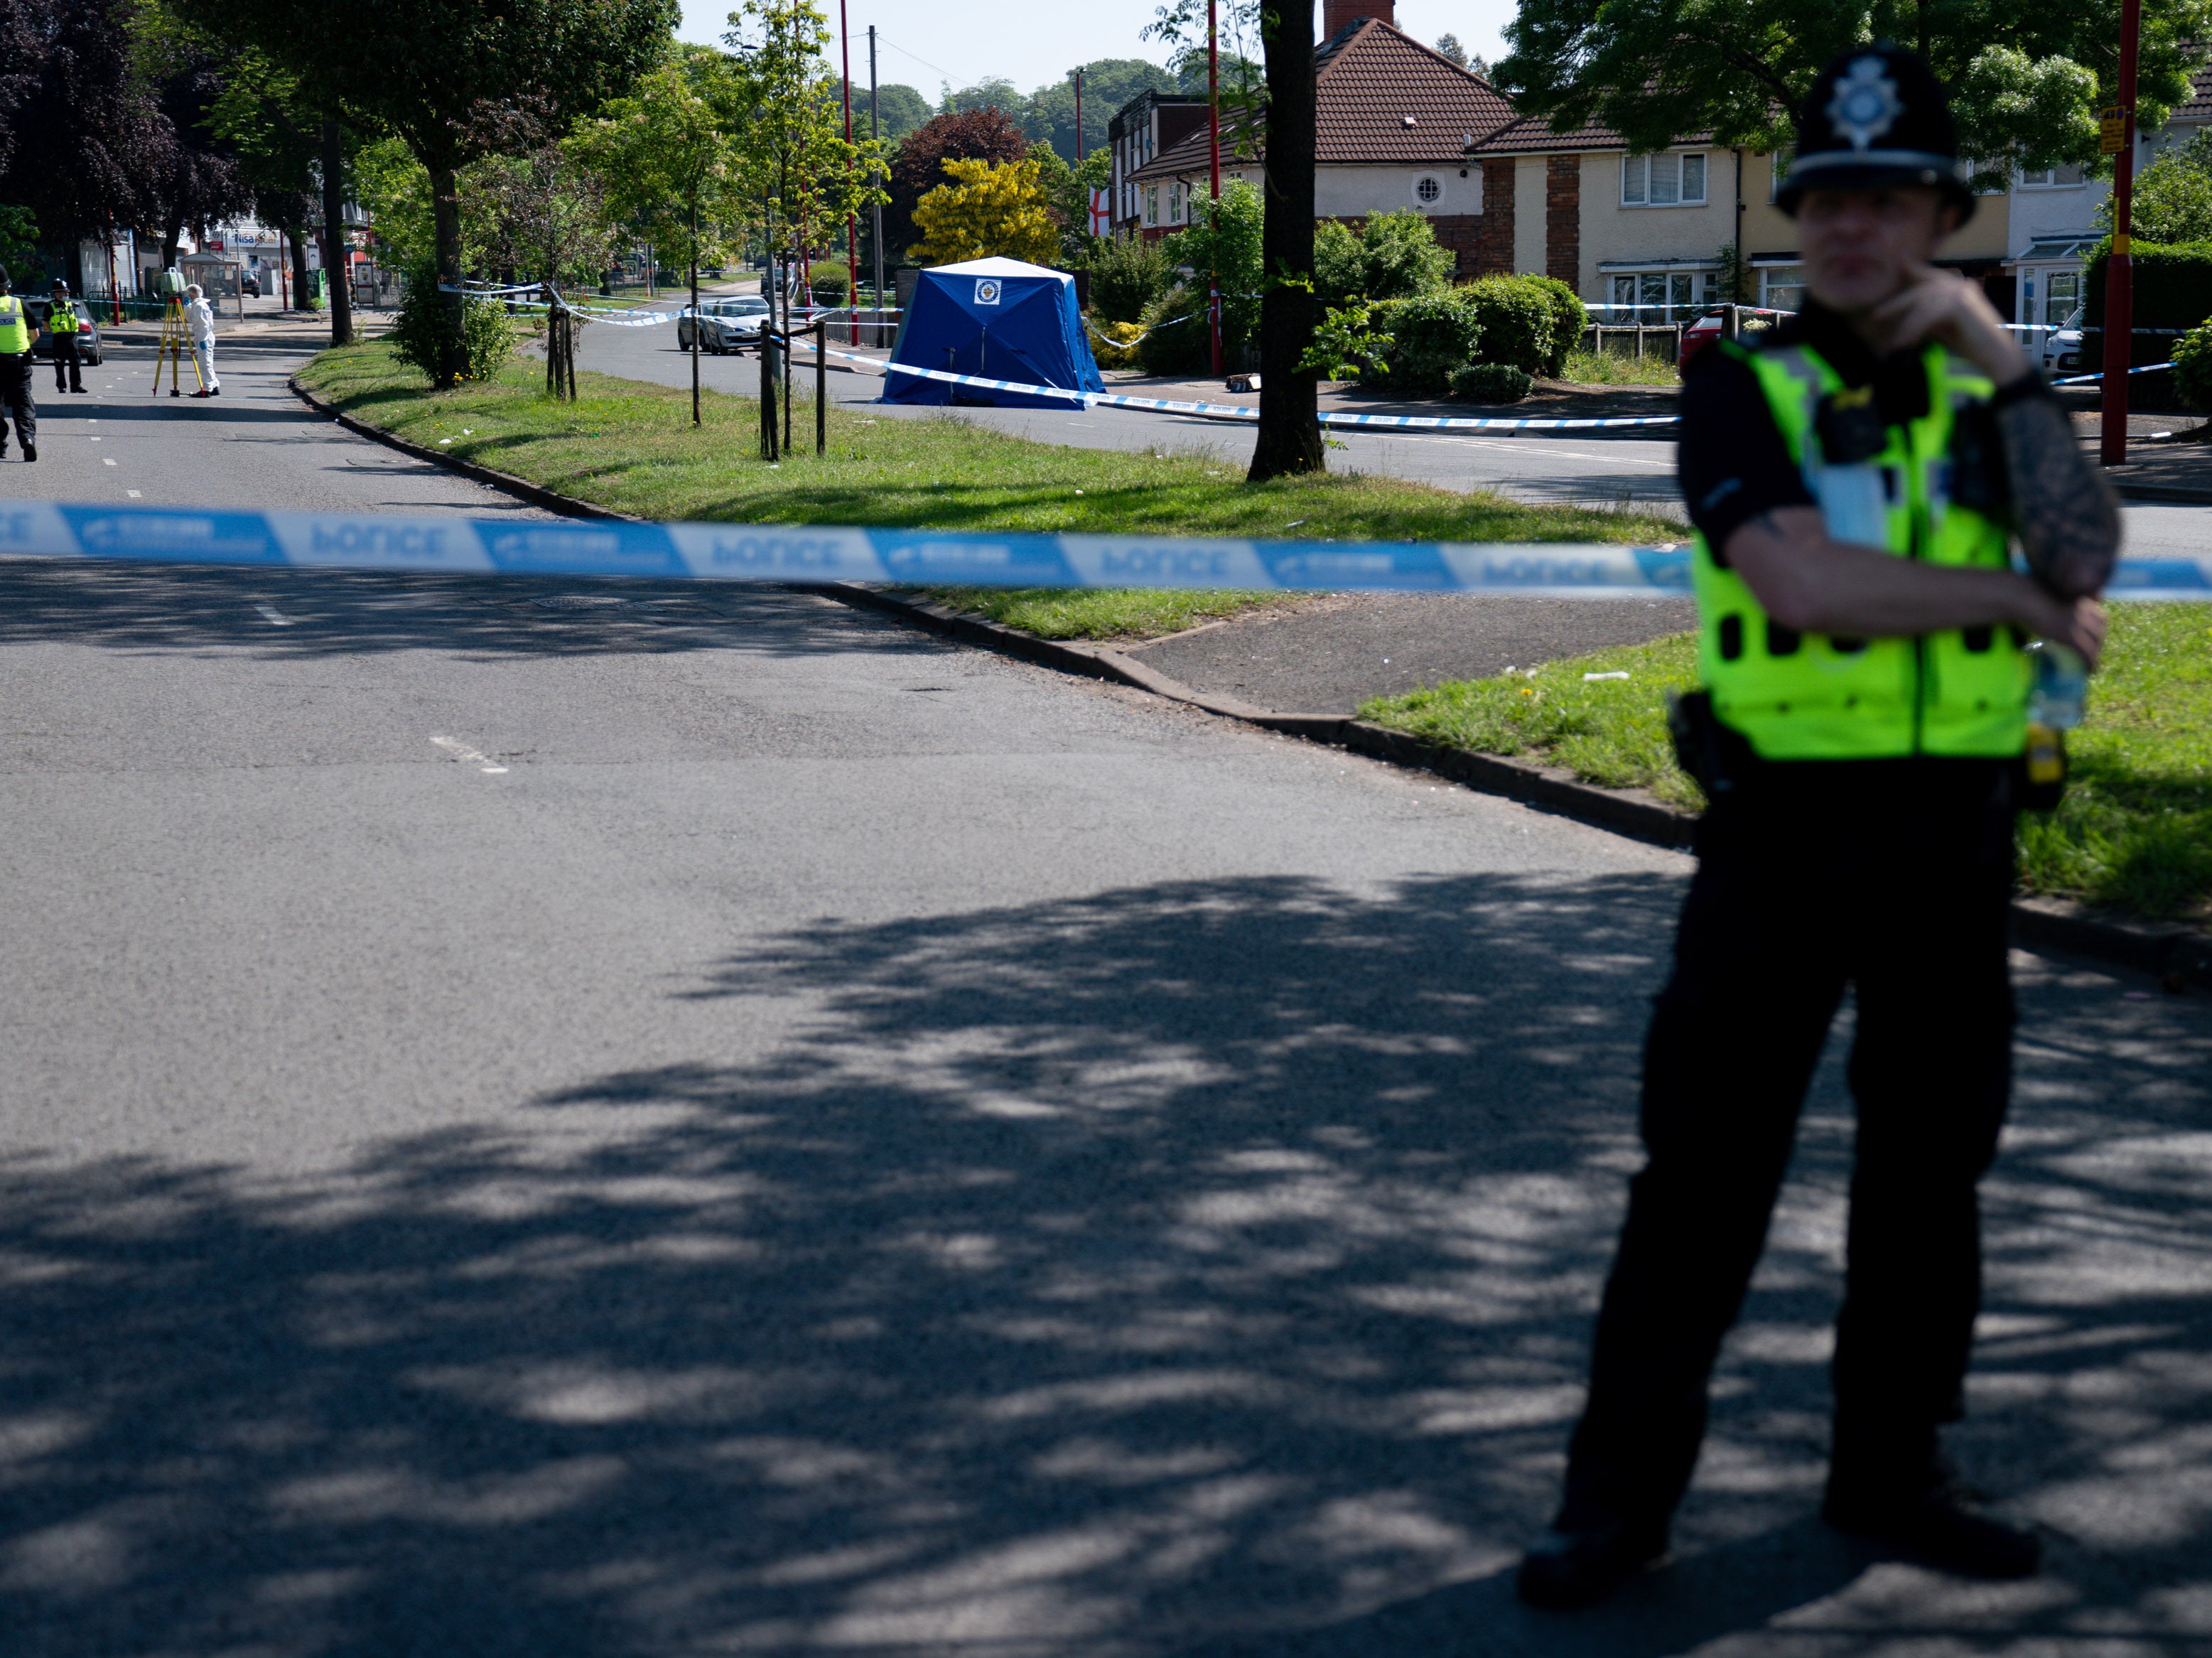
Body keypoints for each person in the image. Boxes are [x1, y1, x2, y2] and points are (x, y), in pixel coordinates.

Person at [1516, 43, 2120, 1610]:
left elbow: (2089, 549)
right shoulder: (1740, 387)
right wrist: (2006, 595)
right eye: (1824, 198)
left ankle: (1890, 1465)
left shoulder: (1986, 395)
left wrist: (1998, 356)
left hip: (1955, 839)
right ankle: (1614, 1501)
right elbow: (1798, 582)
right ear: (1793, 216)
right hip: (1779, 843)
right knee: (1700, 1177)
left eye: (1885, 196)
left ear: (1933, 213)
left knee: (1927, 1176)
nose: (1851, 225)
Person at [0, 263, 35, 461]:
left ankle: (1, 446)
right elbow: (35, 334)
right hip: (19, 361)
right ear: (7, 286)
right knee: (23, 403)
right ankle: (28, 439)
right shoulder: (20, 304)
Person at [47, 279, 85, 394]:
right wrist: (54, 331)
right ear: (57, 293)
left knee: (76, 362)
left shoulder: (70, 305)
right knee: (60, 363)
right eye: (65, 292)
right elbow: (45, 322)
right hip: (59, 338)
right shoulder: (51, 306)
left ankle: (76, 386)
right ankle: (61, 386)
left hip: (72, 337)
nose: (67, 294)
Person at [183, 281, 220, 397]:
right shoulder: (196, 305)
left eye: (189, 294)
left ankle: (207, 389)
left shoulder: (200, 306)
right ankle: (214, 386)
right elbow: (191, 319)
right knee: (206, 363)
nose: (189, 296)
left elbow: (204, 324)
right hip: (202, 336)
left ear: (193, 294)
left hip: (204, 337)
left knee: (205, 364)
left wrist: (203, 339)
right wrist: (187, 306)